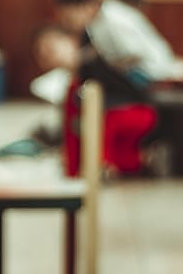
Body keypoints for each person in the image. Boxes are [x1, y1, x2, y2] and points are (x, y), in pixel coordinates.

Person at [32, 25, 157, 175]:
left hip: (137, 111)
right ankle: (143, 159)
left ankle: (101, 167)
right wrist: (71, 170)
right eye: (42, 54)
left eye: (51, 47)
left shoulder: (95, 59)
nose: (48, 55)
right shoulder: (71, 85)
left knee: (102, 124)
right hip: (113, 121)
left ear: (71, 41)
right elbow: (71, 131)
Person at [54, 0, 179, 81]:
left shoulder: (113, 18)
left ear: (83, 6)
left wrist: (111, 66)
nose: (67, 23)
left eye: (68, 18)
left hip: (152, 72)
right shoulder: (96, 22)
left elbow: (135, 53)